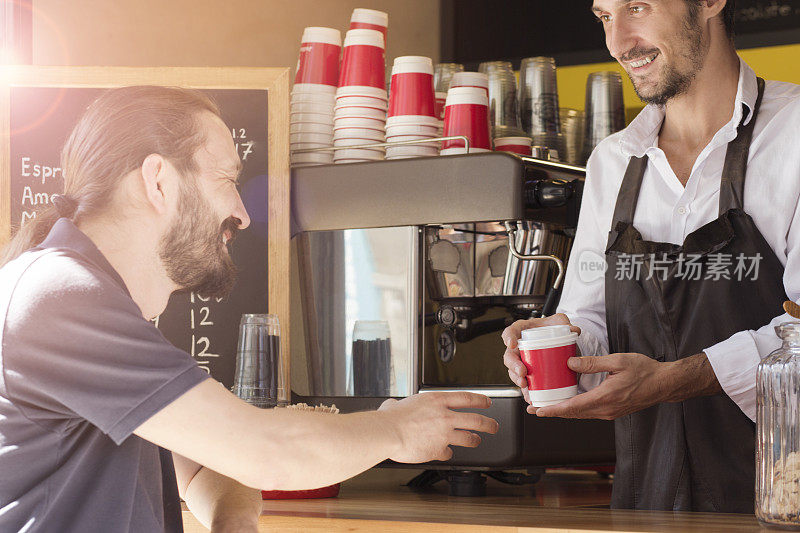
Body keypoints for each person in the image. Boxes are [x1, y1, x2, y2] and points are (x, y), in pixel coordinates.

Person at [0, 85, 499, 532]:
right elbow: (264, 450)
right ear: (158, 181)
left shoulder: (94, 300)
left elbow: (198, 463)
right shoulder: (62, 296)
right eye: (226, 180)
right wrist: (396, 429)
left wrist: (233, 520)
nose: (241, 212)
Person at [503, 0, 800, 512]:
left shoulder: (793, 134)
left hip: (780, 496)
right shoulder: (612, 162)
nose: (618, 43)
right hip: (647, 503)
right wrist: (558, 349)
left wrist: (675, 380)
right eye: (604, 17)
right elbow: (591, 320)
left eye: (636, 7)